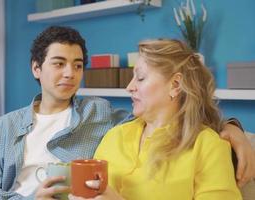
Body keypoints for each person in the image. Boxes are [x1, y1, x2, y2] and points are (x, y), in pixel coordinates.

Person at [0, 27, 254, 199]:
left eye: (78, 65)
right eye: (58, 63)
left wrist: (232, 128)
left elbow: (177, 118)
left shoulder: (99, 114)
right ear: (36, 68)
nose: (70, 73)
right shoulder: (5, 127)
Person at [70, 39, 245, 200]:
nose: (129, 87)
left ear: (175, 85)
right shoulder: (115, 136)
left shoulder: (207, 146)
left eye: (140, 78)